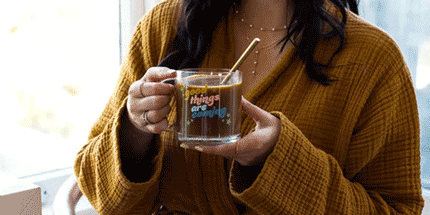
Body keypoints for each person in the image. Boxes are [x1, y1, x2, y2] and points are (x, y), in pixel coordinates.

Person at [74, 0, 425, 214]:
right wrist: (136, 128)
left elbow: (398, 210)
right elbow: (100, 192)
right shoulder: (163, 26)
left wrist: (278, 161)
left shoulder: (374, 61)